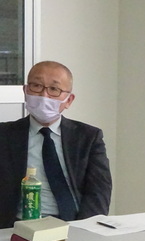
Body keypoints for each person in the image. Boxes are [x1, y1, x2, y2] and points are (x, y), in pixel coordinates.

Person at [0, 61, 112, 228]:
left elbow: (99, 191)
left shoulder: (88, 137)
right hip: (16, 227)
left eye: (54, 89)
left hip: (71, 225)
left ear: (68, 100)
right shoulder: (4, 135)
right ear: (25, 91)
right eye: (36, 86)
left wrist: (83, 230)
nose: (44, 95)